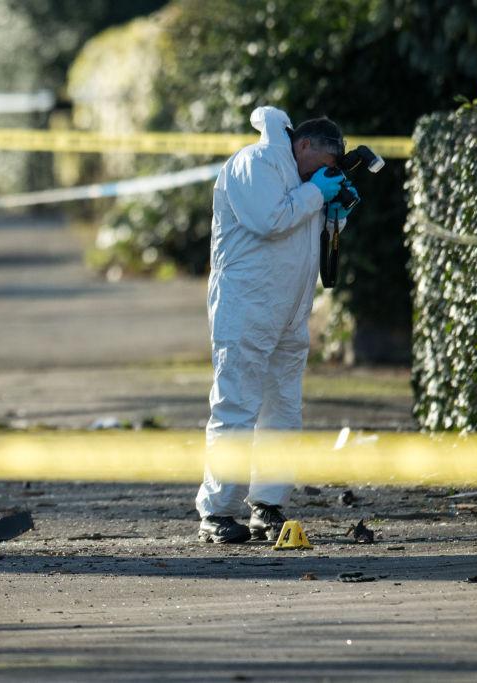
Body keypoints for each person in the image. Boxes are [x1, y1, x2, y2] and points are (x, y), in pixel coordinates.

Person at [195, 106, 359, 543]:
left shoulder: (306, 182)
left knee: (283, 409)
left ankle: (267, 504)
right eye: (325, 164)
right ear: (304, 145)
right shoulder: (255, 163)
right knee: (237, 406)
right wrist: (316, 195)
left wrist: (337, 210)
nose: (324, 174)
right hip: (246, 307)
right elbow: (269, 221)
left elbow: (308, 234)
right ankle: (216, 512)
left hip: (288, 311)